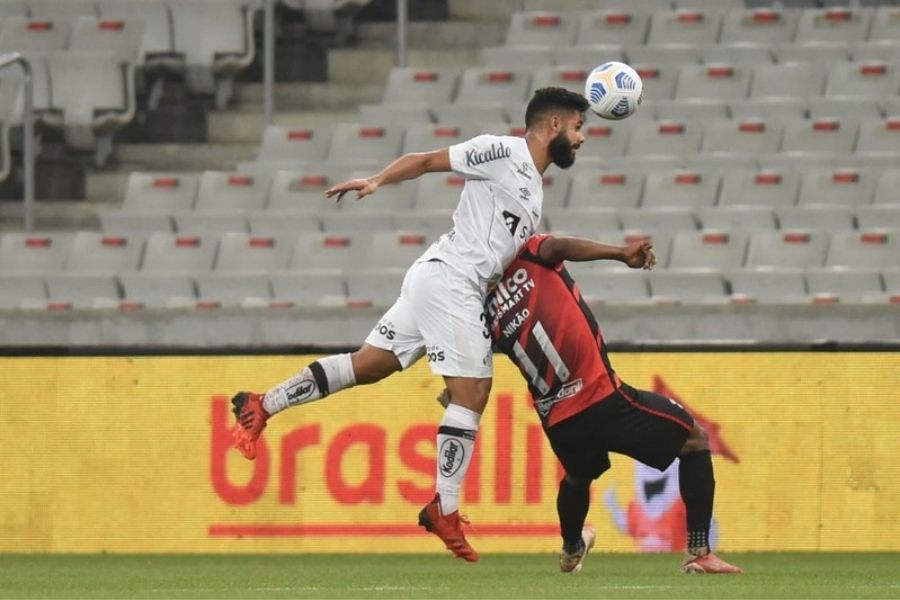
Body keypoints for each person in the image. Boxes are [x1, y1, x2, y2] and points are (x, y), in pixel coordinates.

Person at [230, 87, 591, 562]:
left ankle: (263, 404)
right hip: (450, 282)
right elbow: (427, 161)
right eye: (578, 127)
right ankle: (445, 507)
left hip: (441, 281)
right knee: (473, 394)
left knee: (369, 365)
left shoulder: (533, 189)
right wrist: (378, 180)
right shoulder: (504, 151)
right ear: (553, 125)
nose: (582, 139)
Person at [439, 233, 743, 574]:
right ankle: (699, 552)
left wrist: (453, 393)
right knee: (694, 440)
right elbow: (559, 247)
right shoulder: (530, 252)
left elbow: (472, 364)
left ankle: (572, 547)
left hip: (558, 420)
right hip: (601, 398)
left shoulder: (481, 308)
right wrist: (620, 253)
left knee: (578, 476)